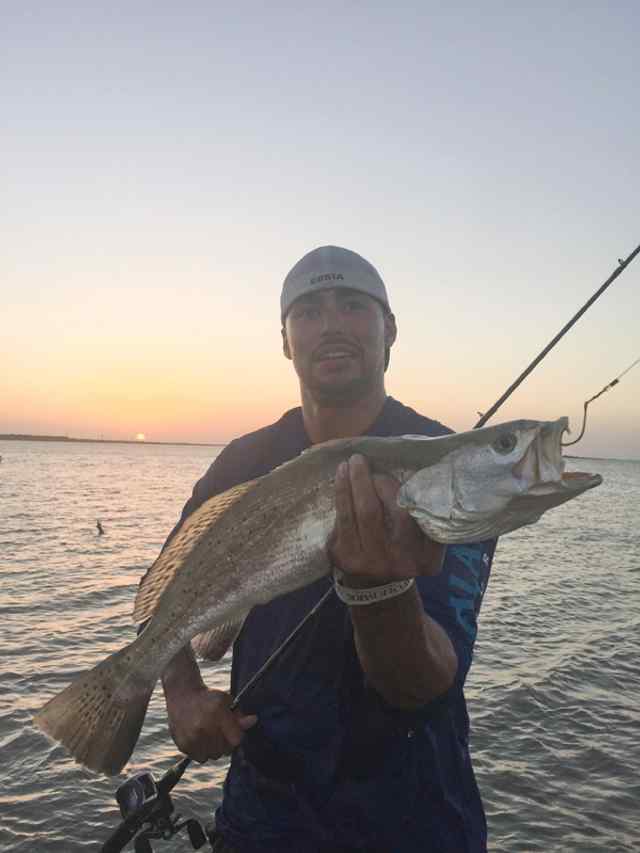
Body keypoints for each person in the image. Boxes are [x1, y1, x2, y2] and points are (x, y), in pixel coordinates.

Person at [154, 246, 496, 853]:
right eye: (308, 311)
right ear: (285, 340)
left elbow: (426, 682)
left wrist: (381, 594)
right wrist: (180, 692)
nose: (331, 324)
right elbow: (166, 593)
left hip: (414, 822)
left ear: (389, 329)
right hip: (262, 819)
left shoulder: (447, 464)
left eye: (353, 305)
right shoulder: (243, 460)